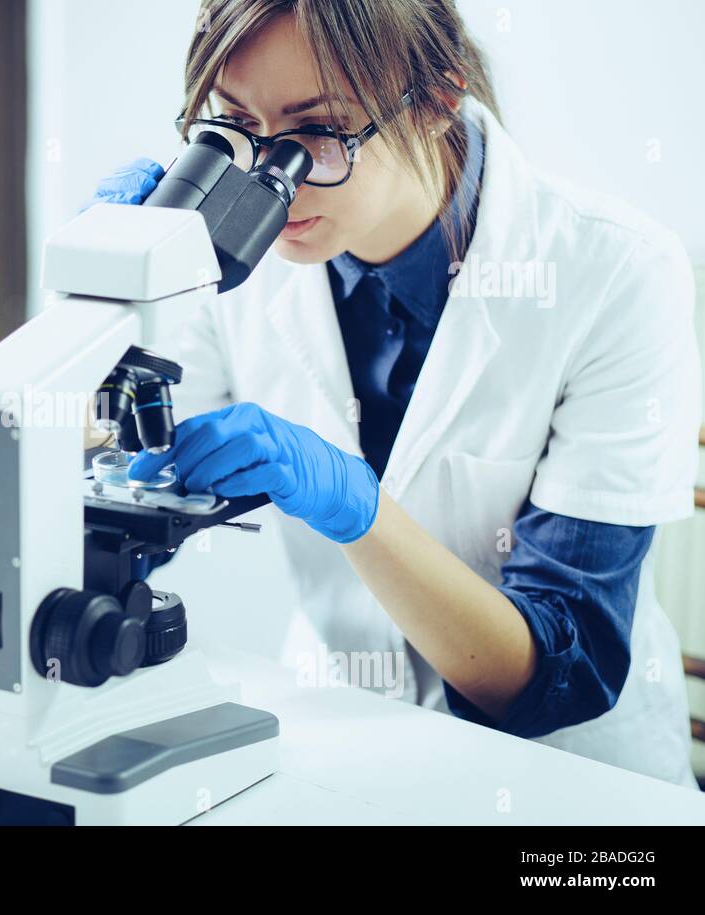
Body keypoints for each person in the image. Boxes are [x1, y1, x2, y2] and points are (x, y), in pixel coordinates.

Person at [88, 0, 701, 788]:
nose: (270, 182)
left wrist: (364, 513)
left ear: (439, 96)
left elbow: (556, 672)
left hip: (571, 782)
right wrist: (104, 295)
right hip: (339, 738)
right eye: (236, 128)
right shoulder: (223, 259)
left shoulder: (615, 274)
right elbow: (126, 456)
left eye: (320, 132)